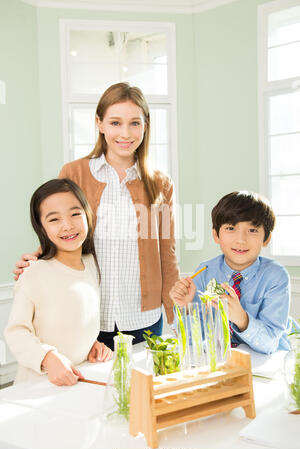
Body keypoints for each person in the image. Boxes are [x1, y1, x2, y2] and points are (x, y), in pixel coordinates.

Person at [13, 82, 180, 350]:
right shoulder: (74, 173)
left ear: (146, 125)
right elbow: (61, 231)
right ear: (99, 124)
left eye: (134, 123)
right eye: (115, 123)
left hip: (144, 317)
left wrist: (175, 316)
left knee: (139, 389)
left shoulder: (161, 183)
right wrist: (36, 258)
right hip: (87, 315)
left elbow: (167, 253)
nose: (125, 133)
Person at [5, 179, 112, 386]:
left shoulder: (91, 265)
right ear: (42, 228)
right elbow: (16, 331)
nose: (67, 225)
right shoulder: (34, 273)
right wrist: (48, 357)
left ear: (88, 216)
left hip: (79, 379)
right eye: (54, 219)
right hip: (38, 385)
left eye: (75, 214)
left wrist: (93, 344)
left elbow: (72, 323)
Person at [170, 190, 294, 354]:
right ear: (216, 235)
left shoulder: (275, 276)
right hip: (224, 363)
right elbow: (194, 341)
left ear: (267, 238)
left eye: (252, 230)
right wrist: (186, 308)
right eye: (230, 228)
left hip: (268, 366)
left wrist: (241, 318)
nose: (241, 239)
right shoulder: (204, 272)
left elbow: (270, 344)